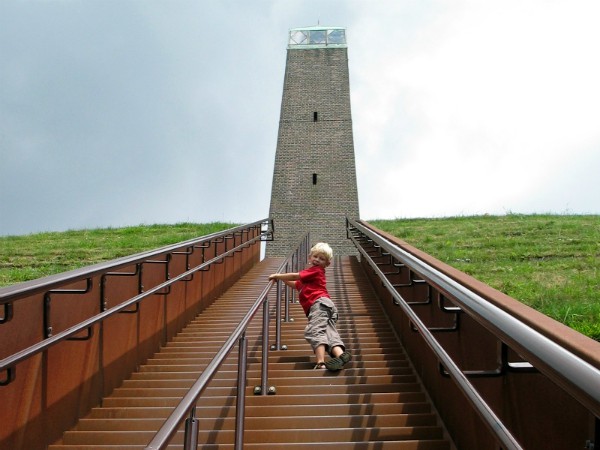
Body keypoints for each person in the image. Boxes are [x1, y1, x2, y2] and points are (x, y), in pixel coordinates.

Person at [269, 242, 351, 371]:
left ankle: (320, 362)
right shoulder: (308, 280)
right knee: (328, 332)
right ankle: (341, 355)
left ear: (327, 264)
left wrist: (277, 275)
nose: (317, 260)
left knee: (315, 330)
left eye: (322, 259)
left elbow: (296, 276)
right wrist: (283, 279)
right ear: (310, 257)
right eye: (315, 256)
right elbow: (296, 284)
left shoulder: (315, 270)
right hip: (326, 305)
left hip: (319, 304)